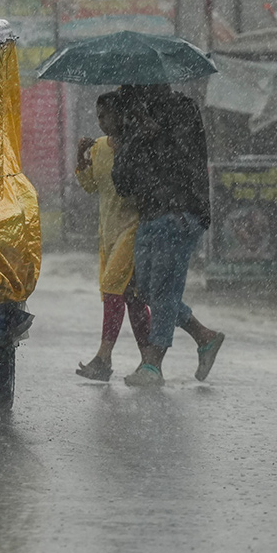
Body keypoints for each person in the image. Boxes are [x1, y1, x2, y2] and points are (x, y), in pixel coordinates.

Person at [112, 84, 224, 386]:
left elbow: (189, 161)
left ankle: (152, 363)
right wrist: (129, 141)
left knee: (163, 291)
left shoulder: (183, 111)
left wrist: (160, 134)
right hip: (150, 216)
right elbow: (121, 182)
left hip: (179, 215)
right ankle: (204, 335)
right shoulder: (133, 124)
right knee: (144, 290)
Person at [74, 91, 152, 381]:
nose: (102, 122)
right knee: (131, 297)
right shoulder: (99, 148)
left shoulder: (138, 145)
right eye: (98, 117)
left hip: (133, 228)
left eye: (106, 115)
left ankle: (103, 359)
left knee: (111, 289)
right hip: (107, 231)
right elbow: (91, 187)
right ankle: (149, 362)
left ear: (121, 116)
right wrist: (81, 159)